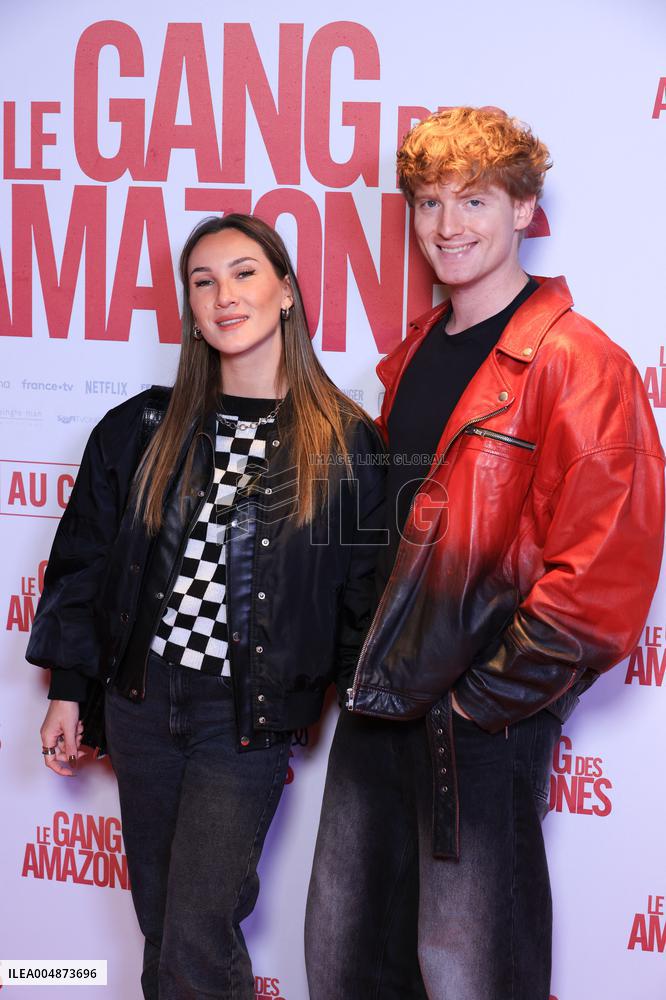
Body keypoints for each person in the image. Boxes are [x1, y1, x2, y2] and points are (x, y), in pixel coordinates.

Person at [305, 107, 665, 999]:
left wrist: (480, 703)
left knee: (474, 975)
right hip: (377, 697)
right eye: (428, 204)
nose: (447, 226)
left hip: (473, 723)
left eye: (474, 200)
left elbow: (604, 573)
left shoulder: (580, 363)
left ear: (525, 209)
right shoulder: (418, 351)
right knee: (347, 961)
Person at [27, 213, 385, 1000]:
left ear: (287, 291)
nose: (225, 295)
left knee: (195, 933)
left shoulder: (345, 442)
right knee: (164, 924)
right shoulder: (141, 428)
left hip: (244, 720)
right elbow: (85, 564)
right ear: (189, 308)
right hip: (141, 707)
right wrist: (66, 689)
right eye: (204, 281)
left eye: (245, 272)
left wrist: (361, 718)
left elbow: (363, 595)